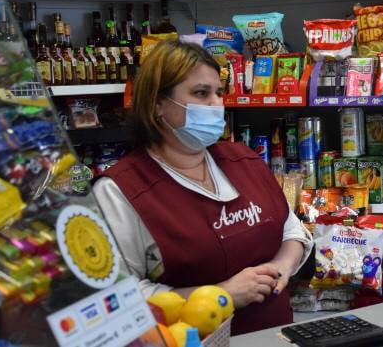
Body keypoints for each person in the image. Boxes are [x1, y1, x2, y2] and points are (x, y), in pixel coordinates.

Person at [93, 40, 312, 335]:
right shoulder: (119, 191)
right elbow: (115, 299)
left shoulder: (244, 160)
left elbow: (291, 229)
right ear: (158, 104)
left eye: (218, 92)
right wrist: (220, 295)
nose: (215, 104)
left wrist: (282, 266)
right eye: (201, 93)